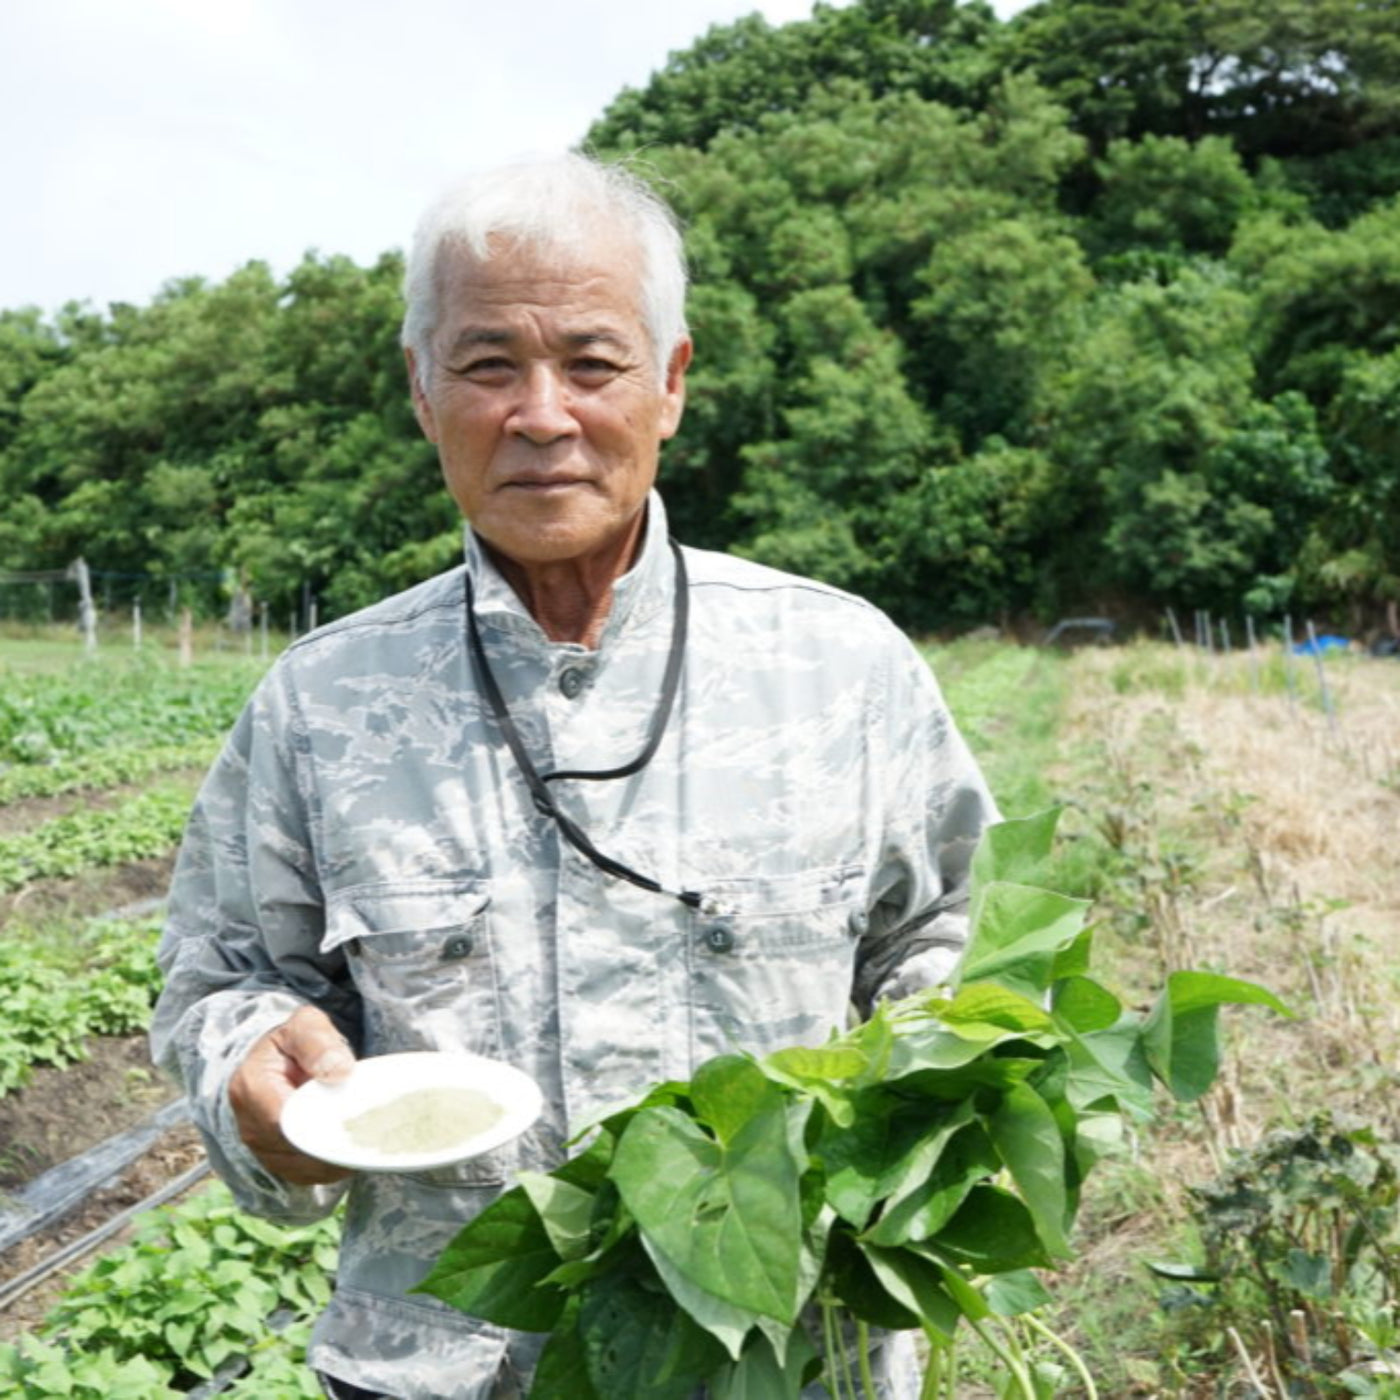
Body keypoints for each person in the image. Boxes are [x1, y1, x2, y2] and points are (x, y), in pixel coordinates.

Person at [150, 153, 997, 1400]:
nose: (540, 413)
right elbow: (219, 980)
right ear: (420, 388)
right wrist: (247, 1074)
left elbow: (943, 949)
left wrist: (916, 1137)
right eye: (488, 364)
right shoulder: (322, 703)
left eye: (591, 363)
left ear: (669, 383)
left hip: (781, 1358)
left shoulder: (839, 667)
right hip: (444, 1363)